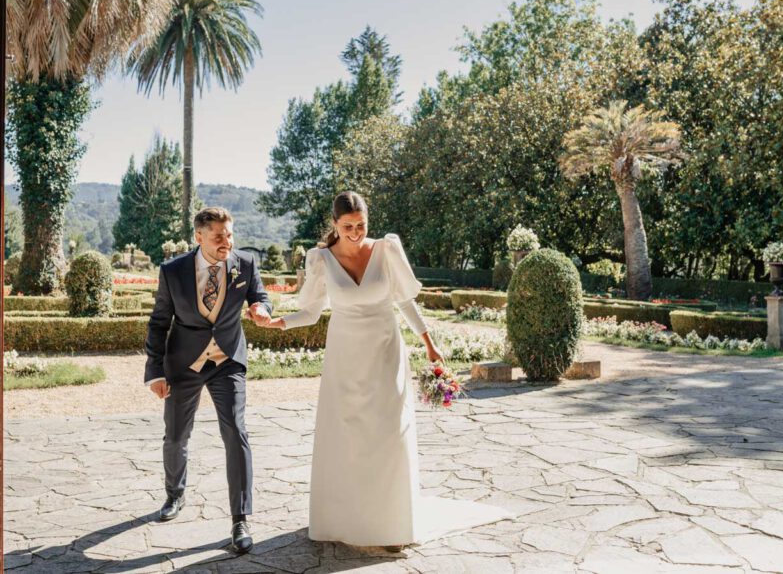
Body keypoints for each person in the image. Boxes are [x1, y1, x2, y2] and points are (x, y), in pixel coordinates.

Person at [255, 192, 509, 549]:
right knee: (347, 435)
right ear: (335, 225)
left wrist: (429, 342)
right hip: (345, 358)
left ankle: (392, 524)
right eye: (348, 227)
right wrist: (275, 323)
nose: (357, 232)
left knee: (389, 432)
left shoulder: (386, 250)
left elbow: (404, 300)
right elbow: (311, 313)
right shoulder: (321, 260)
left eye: (361, 225)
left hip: (386, 352)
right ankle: (344, 520)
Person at [144, 207, 272, 554]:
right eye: (218, 236)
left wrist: (261, 309)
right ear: (198, 236)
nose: (226, 242)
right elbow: (158, 323)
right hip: (184, 364)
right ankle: (175, 494)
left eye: (229, 234)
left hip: (227, 360)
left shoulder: (244, 264)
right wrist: (155, 371)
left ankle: (240, 518)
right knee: (176, 433)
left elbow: (259, 296)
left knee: (236, 430)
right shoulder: (173, 272)